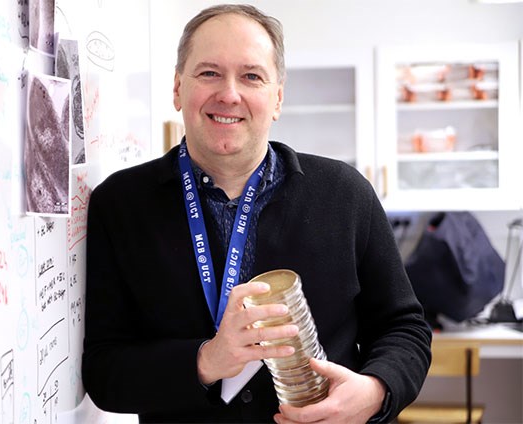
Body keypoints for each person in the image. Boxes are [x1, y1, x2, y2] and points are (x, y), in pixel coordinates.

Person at [82, 4, 432, 423]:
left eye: (251, 76)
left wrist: (375, 391)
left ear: (277, 97)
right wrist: (207, 360)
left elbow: (405, 328)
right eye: (209, 73)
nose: (229, 94)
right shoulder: (119, 205)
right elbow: (103, 371)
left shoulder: (345, 193)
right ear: (177, 88)